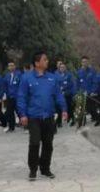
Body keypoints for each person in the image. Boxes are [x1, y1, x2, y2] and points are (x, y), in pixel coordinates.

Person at [17, 51, 68, 181]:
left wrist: (64, 109)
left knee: (48, 144)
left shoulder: (52, 78)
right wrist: (22, 114)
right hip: (33, 117)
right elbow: (21, 97)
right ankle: (33, 169)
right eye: (44, 59)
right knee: (34, 143)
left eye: (47, 59)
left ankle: (45, 169)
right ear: (37, 63)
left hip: (49, 116)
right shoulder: (26, 78)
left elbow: (58, 95)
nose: (47, 61)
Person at [0, 62, 21, 132]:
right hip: (9, 97)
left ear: (15, 66)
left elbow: (22, 86)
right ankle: (11, 127)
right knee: (10, 112)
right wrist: (3, 95)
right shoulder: (7, 76)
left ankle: (27, 126)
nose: (11, 67)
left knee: (20, 111)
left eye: (12, 65)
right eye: (9, 66)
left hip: (18, 97)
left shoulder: (19, 74)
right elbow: (4, 86)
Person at [54, 61, 76, 128]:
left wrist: (64, 88)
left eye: (63, 67)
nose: (62, 68)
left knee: (69, 108)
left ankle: (73, 119)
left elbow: (71, 84)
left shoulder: (69, 75)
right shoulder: (57, 75)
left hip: (67, 94)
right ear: (59, 68)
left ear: (65, 68)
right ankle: (59, 122)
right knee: (59, 109)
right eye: (61, 67)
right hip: (60, 95)